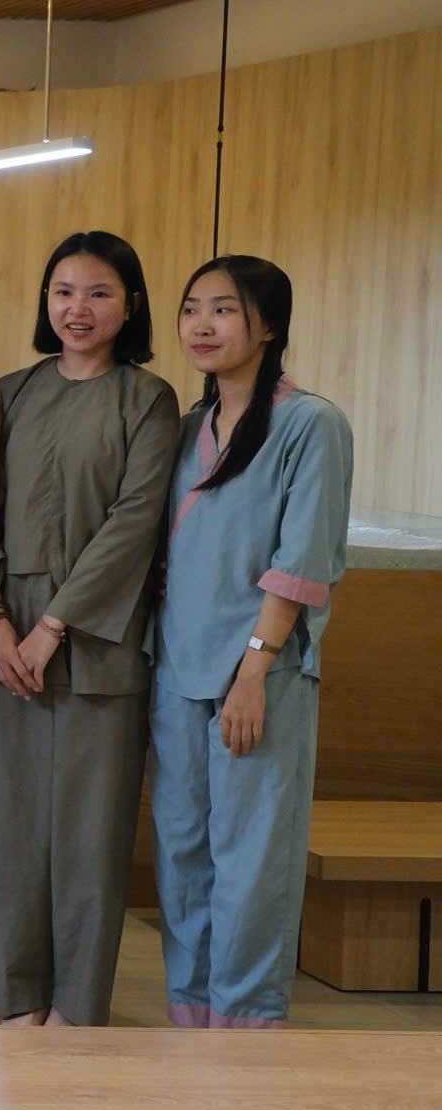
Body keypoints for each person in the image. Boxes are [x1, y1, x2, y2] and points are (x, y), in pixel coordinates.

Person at [0, 231, 179, 1028]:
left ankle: (78, 1002)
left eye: (99, 292)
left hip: (99, 633)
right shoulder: (11, 391)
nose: (78, 308)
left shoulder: (148, 399)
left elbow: (136, 521)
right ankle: (17, 996)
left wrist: (54, 624)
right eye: (63, 291)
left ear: (131, 305)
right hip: (9, 632)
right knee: (16, 824)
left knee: (92, 831)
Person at [150, 255, 351, 1031]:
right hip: (178, 672)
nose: (202, 325)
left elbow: (302, 563)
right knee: (183, 852)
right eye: (192, 308)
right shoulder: (185, 429)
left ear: (268, 325)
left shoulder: (311, 425)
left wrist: (253, 673)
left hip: (259, 675)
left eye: (224, 309)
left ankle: (246, 1024)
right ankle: (193, 1013)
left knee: (253, 855)